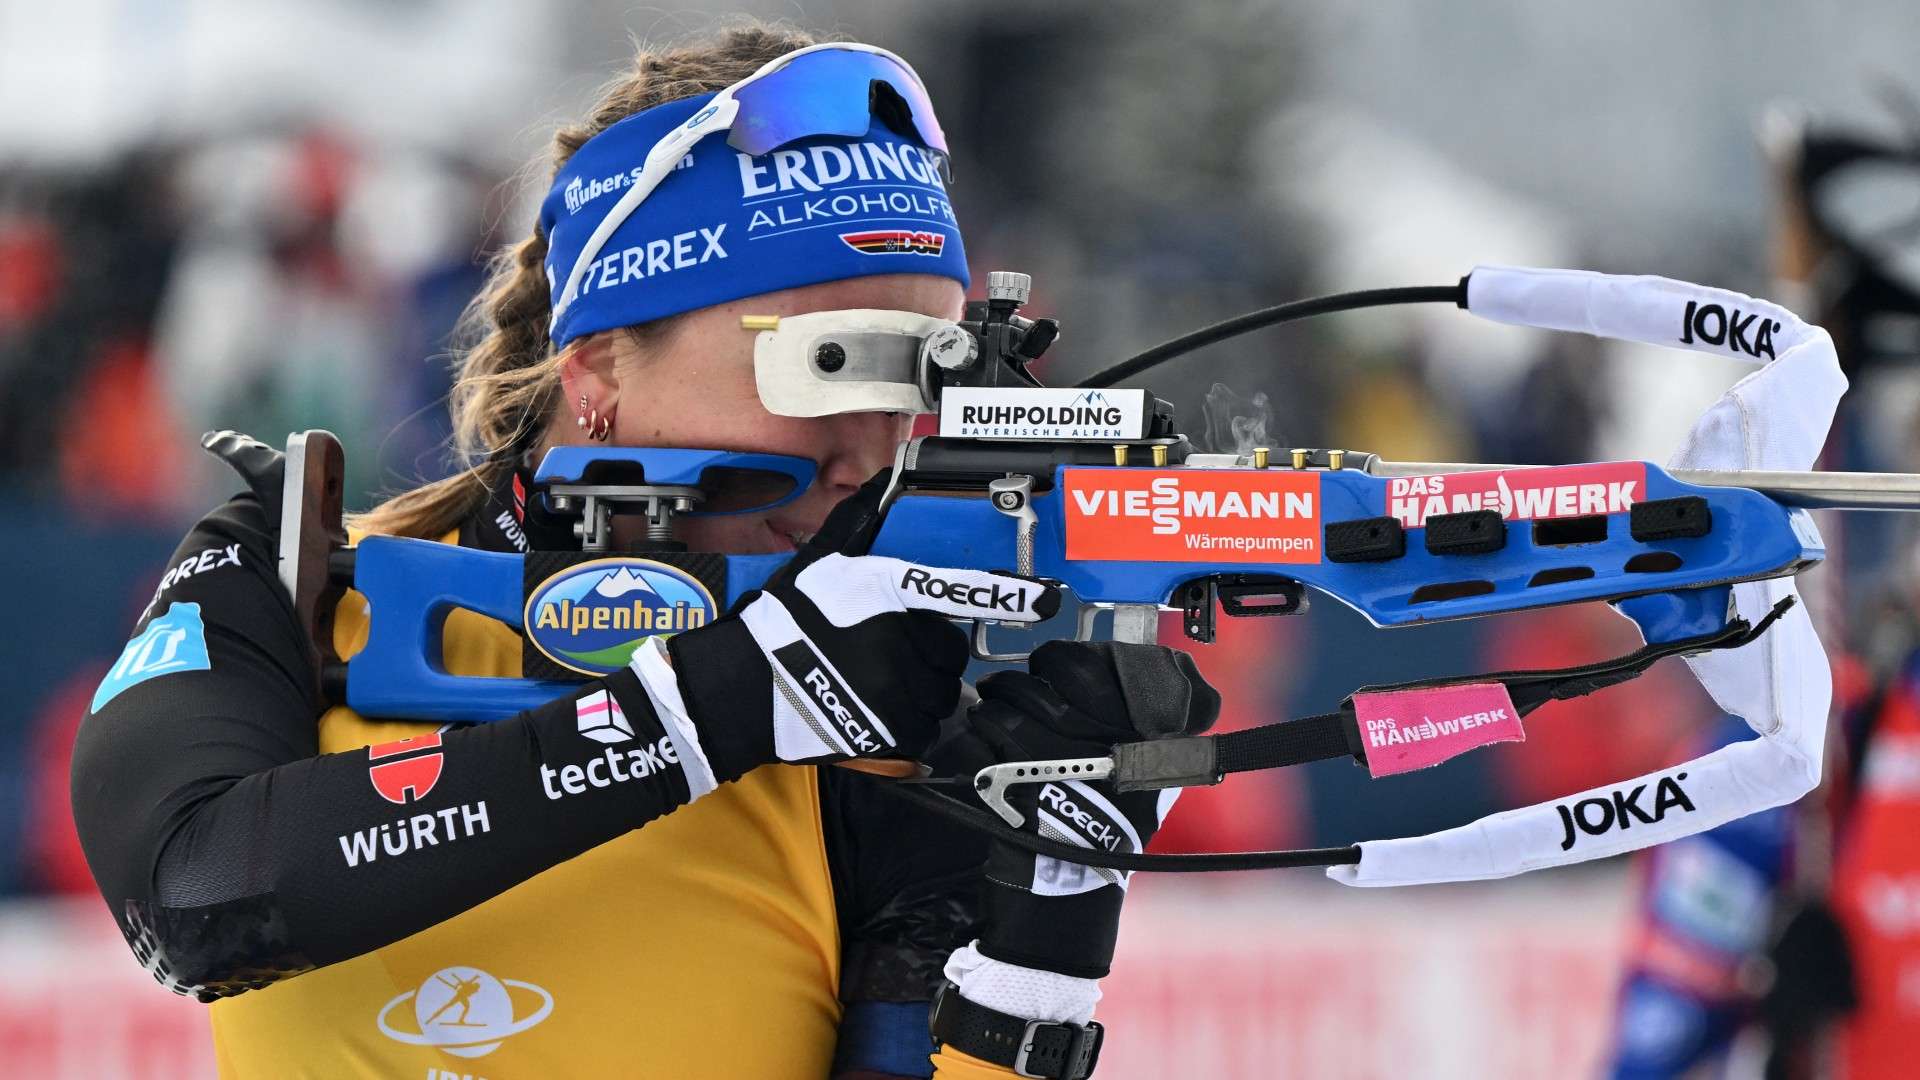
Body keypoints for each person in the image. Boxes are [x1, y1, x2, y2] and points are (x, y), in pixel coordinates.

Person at [69, 22, 1215, 1079]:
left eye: (924, 379)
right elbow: (196, 899)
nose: (877, 449)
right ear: (602, 369)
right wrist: (710, 708)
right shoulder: (303, 580)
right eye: (830, 366)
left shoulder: (887, 713)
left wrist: (1043, 941)